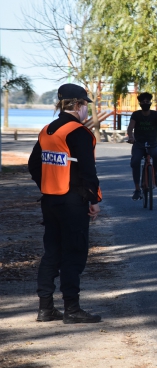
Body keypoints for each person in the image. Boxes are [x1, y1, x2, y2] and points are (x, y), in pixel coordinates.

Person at [28, 83, 103, 323]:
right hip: (73, 201)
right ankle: (72, 309)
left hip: (50, 200)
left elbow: (33, 164)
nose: (86, 111)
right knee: (74, 253)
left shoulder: (48, 130)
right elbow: (88, 172)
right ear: (79, 105)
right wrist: (94, 199)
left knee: (52, 253)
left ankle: (45, 308)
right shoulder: (79, 132)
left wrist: (47, 184)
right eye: (85, 106)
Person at [127, 92, 157, 200]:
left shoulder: (155, 114)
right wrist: (131, 137)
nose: (145, 103)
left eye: (147, 101)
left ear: (150, 102)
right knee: (135, 161)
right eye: (143, 101)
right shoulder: (136, 115)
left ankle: (154, 174)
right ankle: (137, 189)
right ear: (140, 103)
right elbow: (130, 128)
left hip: (152, 143)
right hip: (138, 144)